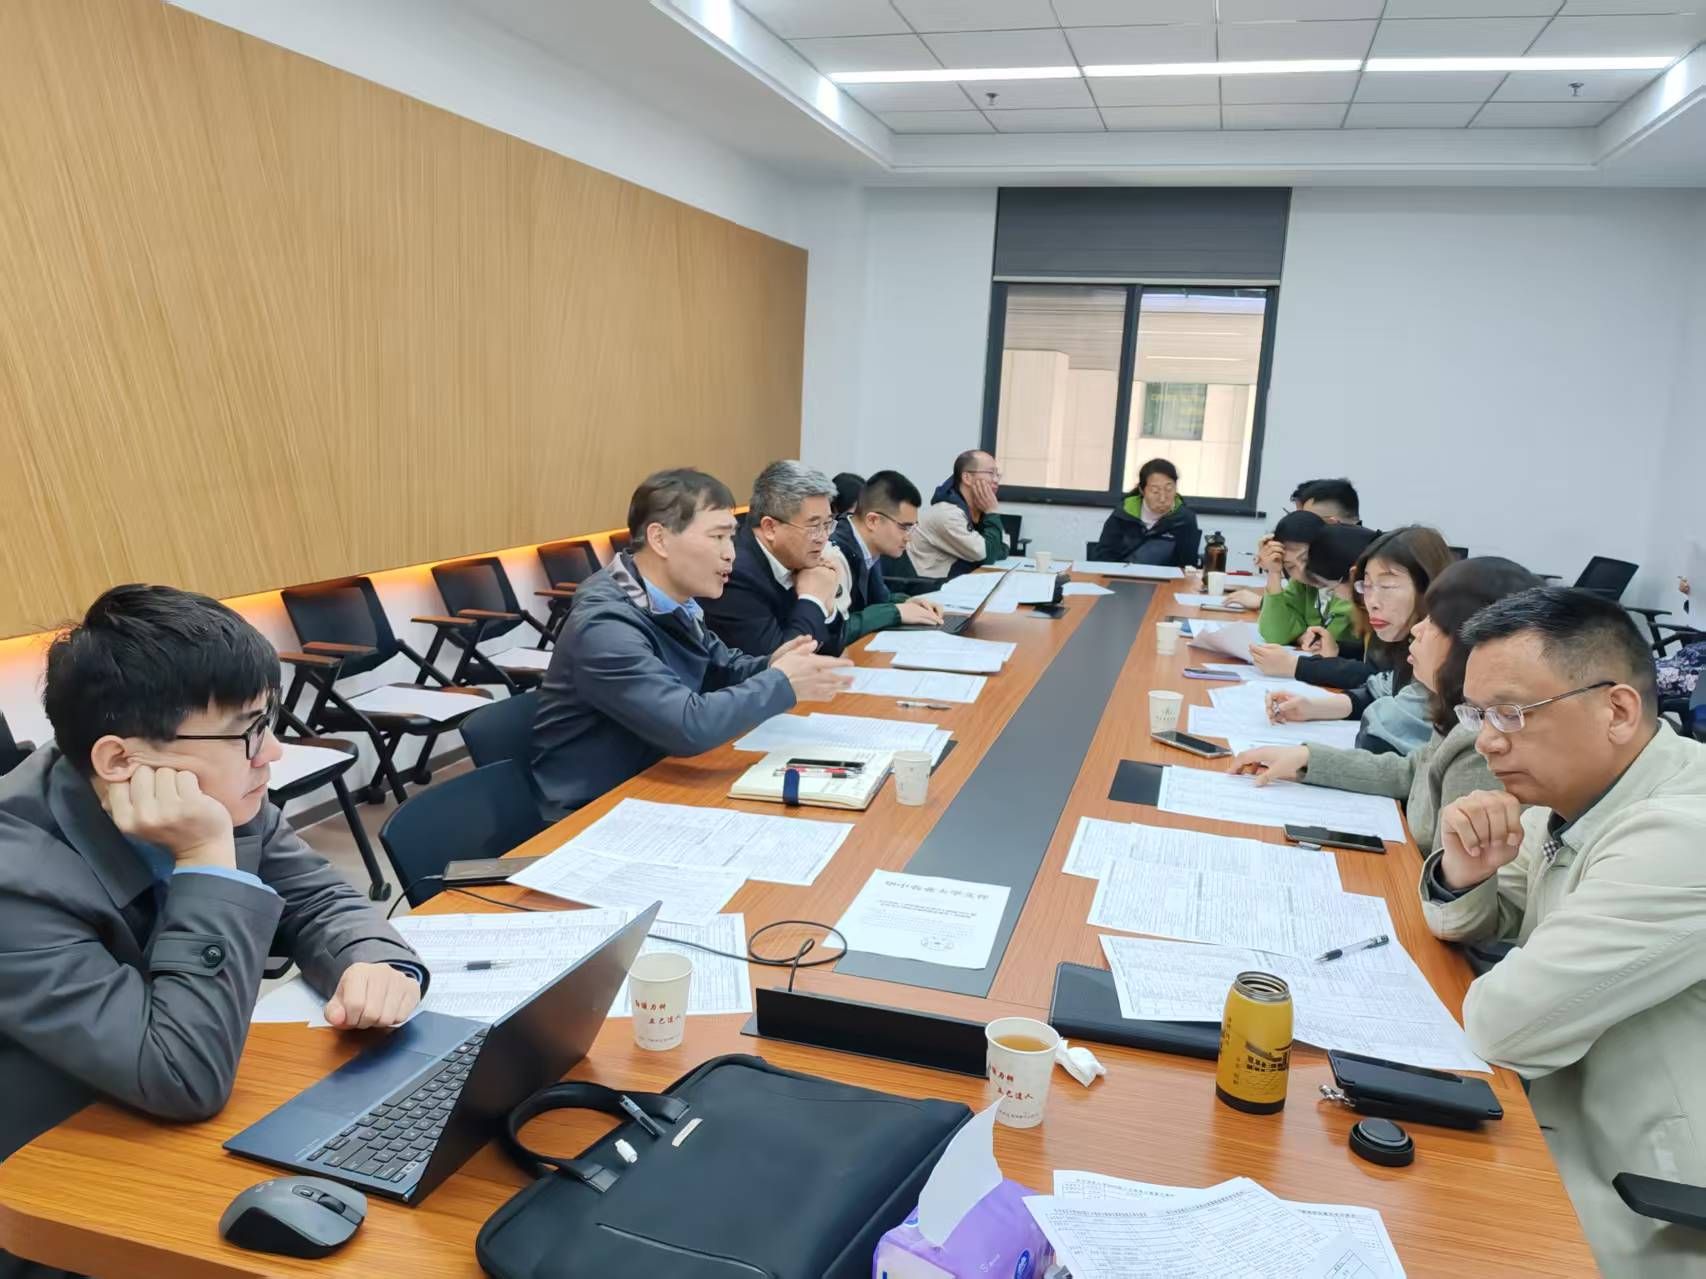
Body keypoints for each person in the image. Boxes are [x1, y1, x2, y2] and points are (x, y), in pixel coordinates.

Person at [0, 586, 428, 1181]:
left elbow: (318, 898)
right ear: (120, 761)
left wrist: (371, 960)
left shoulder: (216, 789)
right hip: (62, 1159)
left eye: (267, 721)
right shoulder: (15, 882)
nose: (272, 752)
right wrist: (206, 858)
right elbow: (179, 1074)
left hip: (175, 1102)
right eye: (247, 732)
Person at [1417, 587, 1706, 1276]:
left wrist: (1499, 959)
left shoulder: (1682, 835)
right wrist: (1463, 871)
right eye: (1478, 713)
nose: (1487, 740)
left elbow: (1506, 1026)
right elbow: (1488, 912)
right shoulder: (1588, 790)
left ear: (1617, 710)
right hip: (1555, 1113)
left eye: (1512, 712)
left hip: (1642, 1194)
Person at [531, 468, 851, 816]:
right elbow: (687, 725)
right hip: (590, 811)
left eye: (731, 537)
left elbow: (720, 667)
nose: (730, 554)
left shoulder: (671, 602)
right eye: (717, 537)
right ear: (660, 539)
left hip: (654, 781)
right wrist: (781, 682)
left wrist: (772, 664)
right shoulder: (604, 626)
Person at [1231, 557, 1541, 852]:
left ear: (1470, 644)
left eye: (1434, 622)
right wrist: (1307, 759)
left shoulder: (1483, 742)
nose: (1417, 629)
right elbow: (1411, 771)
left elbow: (1454, 867)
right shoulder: (1457, 713)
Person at [1266, 526, 1456, 756]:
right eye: (1366, 586)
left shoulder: (1448, 663)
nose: (1372, 602)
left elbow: (1379, 736)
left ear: (1430, 587)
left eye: (1387, 586)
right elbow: (1380, 688)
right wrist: (1312, 707)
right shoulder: (1405, 641)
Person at [701, 461, 848, 659]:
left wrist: (826, 604)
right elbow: (779, 663)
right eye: (813, 526)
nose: (823, 538)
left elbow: (834, 650)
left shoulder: (799, 561)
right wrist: (813, 599)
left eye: (828, 524)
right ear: (770, 528)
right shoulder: (735, 573)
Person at [1248, 521, 1381, 682]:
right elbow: (1372, 661)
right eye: (1289, 566)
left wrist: (1297, 666)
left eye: (1305, 559)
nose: (1302, 571)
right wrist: (1338, 649)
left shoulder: (1374, 604)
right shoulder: (1351, 589)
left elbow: (1380, 677)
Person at [830, 470, 945, 645]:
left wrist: (906, 601)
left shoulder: (868, 545)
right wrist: (896, 612)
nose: (908, 537)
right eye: (904, 527)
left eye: (912, 528)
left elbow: (876, 598)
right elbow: (836, 631)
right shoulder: (835, 554)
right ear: (873, 521)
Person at [1223, 477, 1362, 611]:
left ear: (1332, 524)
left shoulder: (1361, 568)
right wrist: (1274, 566)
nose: (1299, 525)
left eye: (1306, 519)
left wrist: (1264, 601)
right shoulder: (1321, 560)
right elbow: (1296, 605)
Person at [909, 450, 1007, 580]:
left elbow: (1003, 547)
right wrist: (992, 511)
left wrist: (991, 548)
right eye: (990, 473)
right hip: (926, 584)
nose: (996, 480)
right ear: (967, 478)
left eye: (997, 474)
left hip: (951, 579)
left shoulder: (977, 510)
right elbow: (987, 556)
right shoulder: (948, 514)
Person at [1088, 458, 1200, 568]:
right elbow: (1102, 558)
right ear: (1142, 490)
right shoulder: (1124, 514)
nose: (1162, 498)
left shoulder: (1184, 519)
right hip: (1123, 576)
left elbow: (1188, 567)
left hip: (1164, 579)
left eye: (1169, 489)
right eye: (1155, 491)